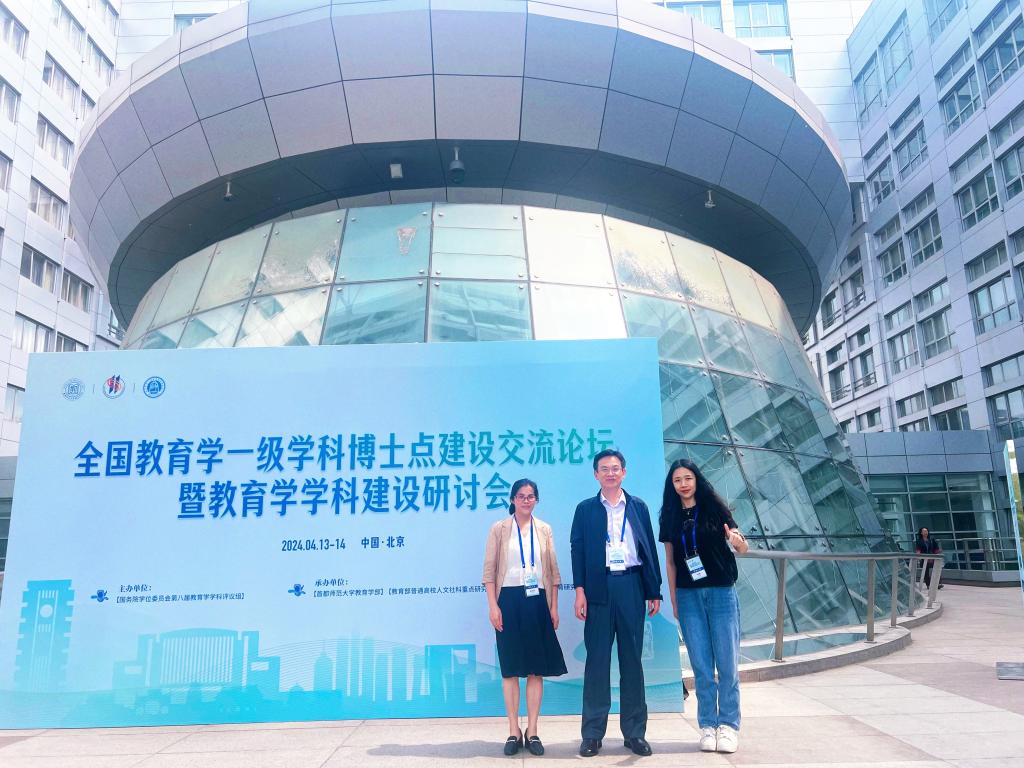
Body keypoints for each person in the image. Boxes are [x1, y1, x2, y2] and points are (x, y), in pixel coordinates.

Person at [570, 449, 662, 758]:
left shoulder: (638, 507)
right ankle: (592, 734)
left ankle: (634, 733)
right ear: (595, 474)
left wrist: (653, 590)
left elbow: (648, 549)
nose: (610, 473)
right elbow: (577, 552)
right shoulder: (585, 509)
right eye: (604, 469)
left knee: (632, 661)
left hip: (631, 586)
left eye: (615, 468)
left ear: (624, 472)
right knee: (597, 661)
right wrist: (580, 591)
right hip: (598, 588)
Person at [659, 459, 748, 755]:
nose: (683, 484)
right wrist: (674, 600)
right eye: (677, 480)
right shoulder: (669, 515)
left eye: (687, 478)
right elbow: (671, 562)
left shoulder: (714, 508)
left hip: (721, 592)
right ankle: (708, 725)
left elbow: (742, 546)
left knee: (727, 664)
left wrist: (735, 540)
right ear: (672, 485)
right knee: (701, 667)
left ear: (696, 479)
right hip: (688, 597)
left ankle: (729, 726)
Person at [482, 478, 567, 756]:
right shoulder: (499, 529)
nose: (526, 500)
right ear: (512, 499)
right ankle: (512, 731)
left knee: (535, 668)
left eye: (531, 496)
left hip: (537, 600)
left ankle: (532, 731)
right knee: (510, 669)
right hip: (508, 600)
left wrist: (553, 607)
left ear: (536, 500)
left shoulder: (544, 529)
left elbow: (553, 572)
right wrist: (493, 606)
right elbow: (489, 571)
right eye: (521, 496)